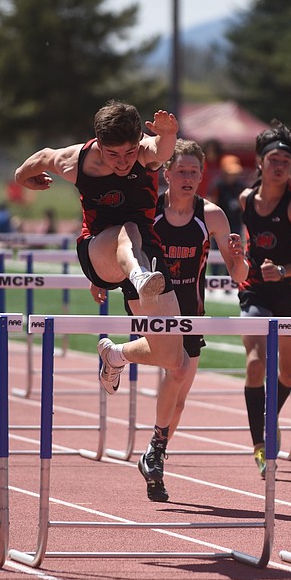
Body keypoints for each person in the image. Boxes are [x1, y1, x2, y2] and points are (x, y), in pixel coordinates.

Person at [91, 139, 249, 501]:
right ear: (166, 173)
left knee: (178, 394)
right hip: (149, 300)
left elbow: (239, 275)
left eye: (195, 171)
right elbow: (116, 243)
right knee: (175, 368)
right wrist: (97, 278)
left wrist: (240, 259)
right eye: (181, 170)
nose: (188, 178)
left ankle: (152, 448)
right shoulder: (148, 211)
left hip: (190, 310)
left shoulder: (212, 215)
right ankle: (157, 454)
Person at [13, 99, 187, 391]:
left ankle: (114, 355)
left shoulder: (145, 153)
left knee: (172, 357)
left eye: (129, 152)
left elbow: (162, 150)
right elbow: (43, 156)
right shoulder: (77, 162)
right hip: (96, 251)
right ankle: (139, 275)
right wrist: (22, 177)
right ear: (99, 145)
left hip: (144, 253)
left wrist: (169, 134)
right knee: (126, 230)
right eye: (113, 154)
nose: (123, 162)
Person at [238, 120, 291, 478]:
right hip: (256, 289)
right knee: (256, 364)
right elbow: (246, 247)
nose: (280, 165)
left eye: (286, 161)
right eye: (273, 159)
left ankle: (269, 419)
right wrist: (236, 256)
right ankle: (261, 446)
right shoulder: (244, 200)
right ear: (259, 162)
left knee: (288, 372)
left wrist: (285, 270)